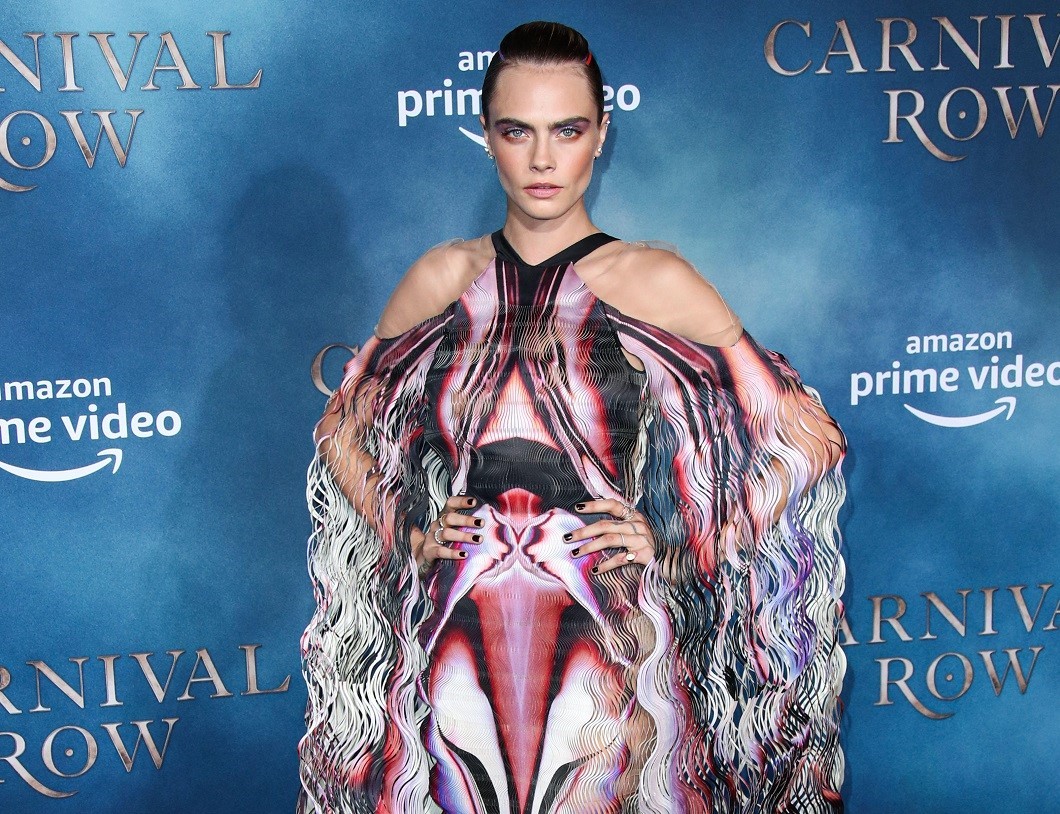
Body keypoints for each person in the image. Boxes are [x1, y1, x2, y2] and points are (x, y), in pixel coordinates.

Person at [298, 20, 847, 814]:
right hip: (459, 642)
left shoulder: (651, 279)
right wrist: (409, 533)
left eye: (567, 130)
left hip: (604, 638)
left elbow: (808, 439)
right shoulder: (444, 277)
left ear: (601, 134)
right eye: (517, 131)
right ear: (486, 135)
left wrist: (682, 552)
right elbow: (340, 429)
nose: (543, 160)